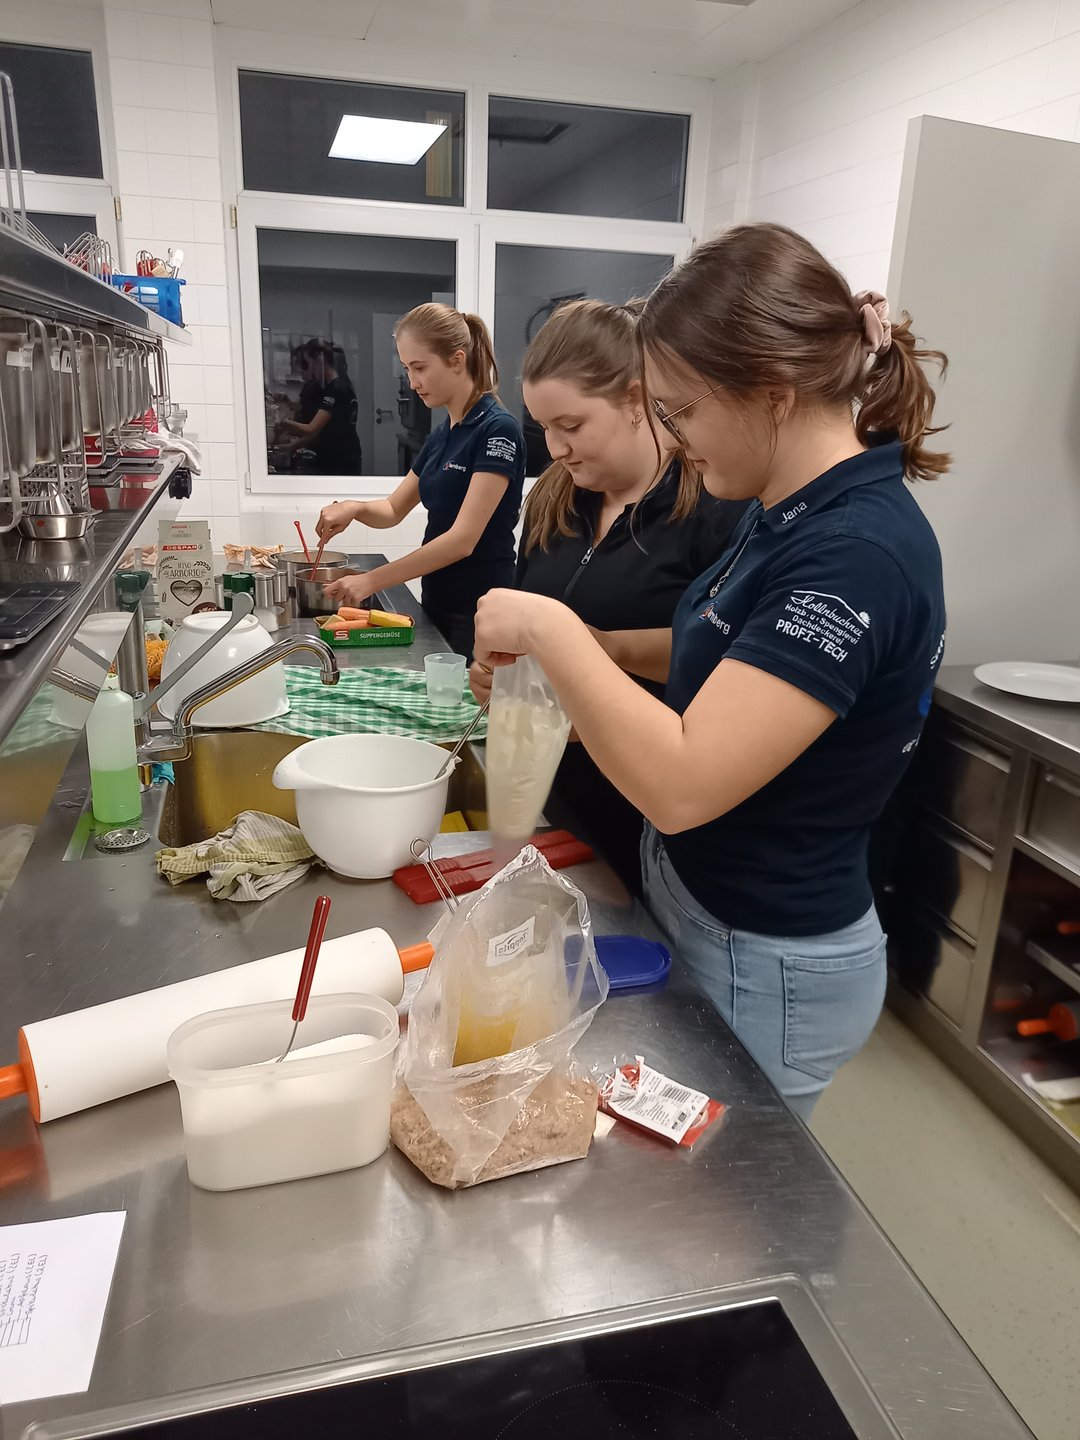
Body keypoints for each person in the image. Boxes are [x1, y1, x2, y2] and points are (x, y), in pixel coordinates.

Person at [472, 223, 948, 1119]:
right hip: (701, 901)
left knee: (722, 1188)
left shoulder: (854, 555)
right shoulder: (782, 510)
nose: (673, 436)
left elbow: (685, 784)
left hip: (767, 950)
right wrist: (605, 650)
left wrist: (552, 628)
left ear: (771, 393)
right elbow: (728, 658)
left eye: (681, 411)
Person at [469, 299, 746, 894]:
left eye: (571, 427)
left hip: (648, 819)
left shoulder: (714, 508)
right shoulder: (553, 497)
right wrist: (499, 677)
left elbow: (722, 658)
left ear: (636, 400)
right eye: (544, 428)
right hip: (553, 803)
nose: (555, 448)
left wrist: (595, 654)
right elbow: (524, 623)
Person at [316, 304, 525, 662]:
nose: (412, 383)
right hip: (438, 598)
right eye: (407, 369)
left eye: (420, 367)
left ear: (457, 360)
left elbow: (462, 541)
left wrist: (371, 580)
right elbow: (393, 509)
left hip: (481, 608)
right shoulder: (443, 433)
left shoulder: (497, 429)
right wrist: (353, 508)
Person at [276, 339, 362, 476]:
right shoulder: (333, 386)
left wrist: (283, 423)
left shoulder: (337, 389)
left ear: (319, 360)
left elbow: (311, 429)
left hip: (341, 460)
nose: (309, 369)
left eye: (309, 363)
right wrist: (290, 446)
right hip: (337, 457)